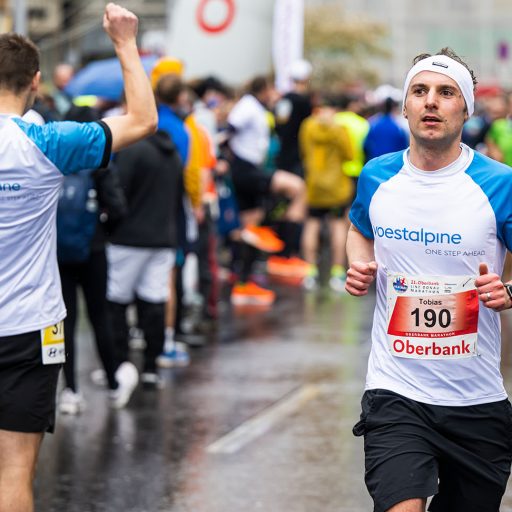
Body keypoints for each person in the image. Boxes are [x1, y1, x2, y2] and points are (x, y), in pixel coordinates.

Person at [0, 4, 157, 511]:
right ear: (37, 83)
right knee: (14, 474)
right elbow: (142, 119)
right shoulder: (46, 142)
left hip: (29, 324)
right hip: (29, 327)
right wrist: (125, 43)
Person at [346, 47, 512, 512]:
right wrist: (358, 263)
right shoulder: (378, 177)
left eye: (445, 92)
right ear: (405, 105)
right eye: (419, 91)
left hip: (475, 399)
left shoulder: (499, 183)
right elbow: (359, 229)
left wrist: (509, 291)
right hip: (396, 391)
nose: (431, 102)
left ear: (466, 109)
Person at [299, 97, 354, 291]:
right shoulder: (339, 129)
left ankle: (310, 273)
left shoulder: (308, 126)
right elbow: (349, 155)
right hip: (337, 187)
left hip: (314, 185)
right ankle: (337, 273)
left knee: (312, 225)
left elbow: (304, 151)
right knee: (338, 226)